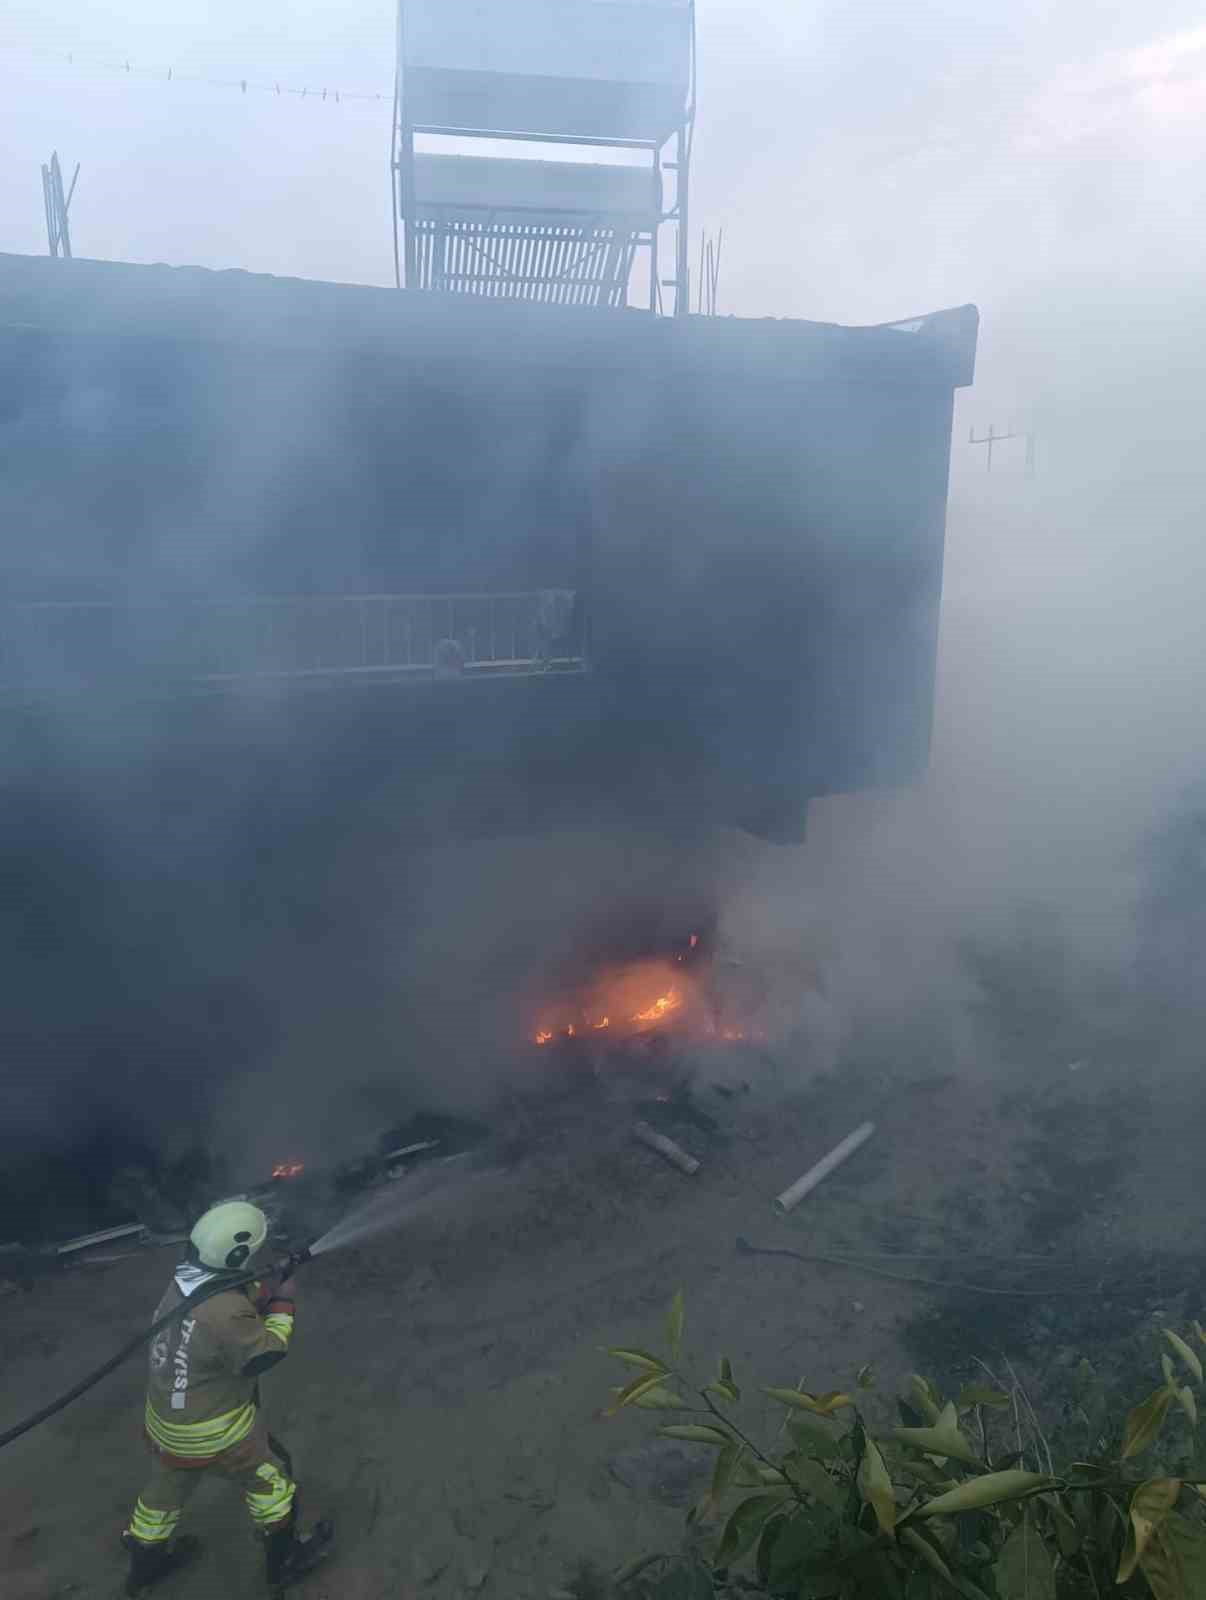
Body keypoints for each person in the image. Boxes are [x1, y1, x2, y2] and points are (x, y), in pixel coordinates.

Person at [122, 1200, 333, 1595]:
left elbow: (220, 1306)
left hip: (168, 1424)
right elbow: (263, 1353)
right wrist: (284, 1302)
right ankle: (284, 1562)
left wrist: (260, 1289)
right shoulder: (227, 1314)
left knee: (165, 1492)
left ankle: (146, 1559)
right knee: (273, 1482)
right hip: (215, 1433)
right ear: (235, 1254)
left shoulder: (181, 1284)